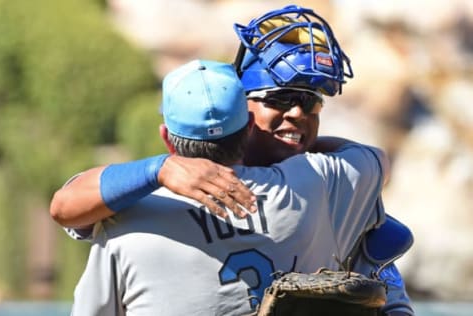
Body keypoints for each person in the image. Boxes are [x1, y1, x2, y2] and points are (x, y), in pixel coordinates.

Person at [50, 5, 414, 315]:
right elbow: (373, 159)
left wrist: (159, 169)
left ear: (167, 137)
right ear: (243, 111)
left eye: (313, 101)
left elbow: (65, 205)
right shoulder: (325, 185)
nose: (300, 114)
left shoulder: (131, 213)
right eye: (281, 98)